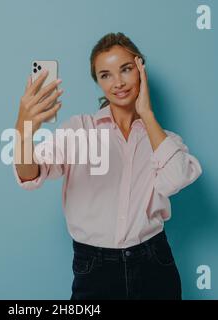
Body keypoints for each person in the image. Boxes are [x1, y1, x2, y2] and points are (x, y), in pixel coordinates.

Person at [12, 32, 202, 300]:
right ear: (98, 82)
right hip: (94, 266)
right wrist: (24, 127)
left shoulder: (164, 140)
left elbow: (176, 180)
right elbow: (30, 174)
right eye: (106, 75)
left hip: (154, 262)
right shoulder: (80, 129)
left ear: (140, 70)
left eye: (125, 70)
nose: (118, 83)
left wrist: (147, 115)